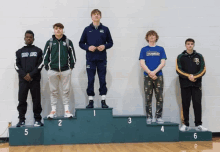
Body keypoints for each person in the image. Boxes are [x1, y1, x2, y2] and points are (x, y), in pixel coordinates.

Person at [79, 9, 113, 108]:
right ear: (91, 17)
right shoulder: (87, 29)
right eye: (94, 14)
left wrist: (105, 46)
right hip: (90, 59)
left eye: (98, 14)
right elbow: (81, 43)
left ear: (100, 16)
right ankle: (90, 101)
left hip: (102, 59)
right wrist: (88, 47)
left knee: (102, 80)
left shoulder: (105, 29)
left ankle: (103, 101)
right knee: (90, 80)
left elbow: (110, 42)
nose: (96, 16)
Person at [43, 23, 76, 118]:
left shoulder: (68, 42)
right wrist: (47, 67)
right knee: (53, 91)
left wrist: (70, 67)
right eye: (56, 28)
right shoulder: (49, 42)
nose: (58, 30)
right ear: (54, 30)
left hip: (65, 70)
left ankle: (66, 110)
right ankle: (53, 111)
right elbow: (45, 56)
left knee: (66, 90)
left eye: (60, 28)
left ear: (63, 30)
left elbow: (72, 56)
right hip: (52, 71)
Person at [176, 38, 208, 131]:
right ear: (185, 45)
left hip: (196, 84)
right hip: (185, 84)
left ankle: (199, 124)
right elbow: (178, 69)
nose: (190, 45)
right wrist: (188, 76)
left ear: (193, 45)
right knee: (185, 104)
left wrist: (195, 77)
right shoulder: (180, 57)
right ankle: (185, 124)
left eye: (191, 44)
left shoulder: (199, 56)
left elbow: (203, 69)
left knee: (197, 104)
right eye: (188, 44)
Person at [15, 30, 44, 127]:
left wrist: (31, 75)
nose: (28, 38)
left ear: (33, 39)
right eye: (27, 37)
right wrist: (24, 75)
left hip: (34, 80)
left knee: (36, 100)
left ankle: (37, 120)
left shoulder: (38, 51)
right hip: (23, 81)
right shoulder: (19, 52)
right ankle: (21, 120)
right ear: (24, 38)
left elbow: (41, 64)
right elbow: (16, 65)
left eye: (30, 37)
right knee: (22, 100)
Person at [139, 30, 167, 124]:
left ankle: (158, 117)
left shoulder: (161, 49)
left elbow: (163, 63)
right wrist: (150, 73)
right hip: (147, 76)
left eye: (153, 35)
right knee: (148, 97)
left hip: (158, 76)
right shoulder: (144, 49)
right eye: (150, 36)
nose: (151, 37)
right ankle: (149, 117)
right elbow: (142, 63)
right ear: (147, 38)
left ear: (156, 37)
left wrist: (154, 72)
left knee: (159, 97)